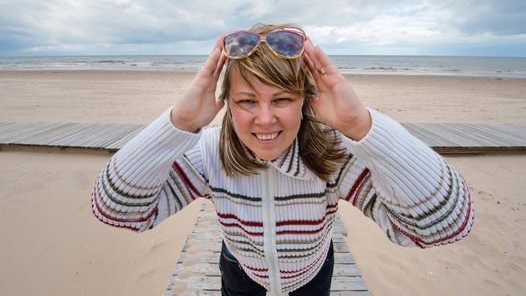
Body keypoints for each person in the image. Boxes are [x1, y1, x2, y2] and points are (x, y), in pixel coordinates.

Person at [91, 23, 474, 296]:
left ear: (305, 100)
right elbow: (118, 209)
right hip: (241, 272)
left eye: (282, 99)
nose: (264, 119)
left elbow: (442, 225)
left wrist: (361, 126)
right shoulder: (209, 154)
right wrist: (181, 122)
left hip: (312, 274)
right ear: (226, 103)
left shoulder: (332, 155)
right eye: (246, 101)